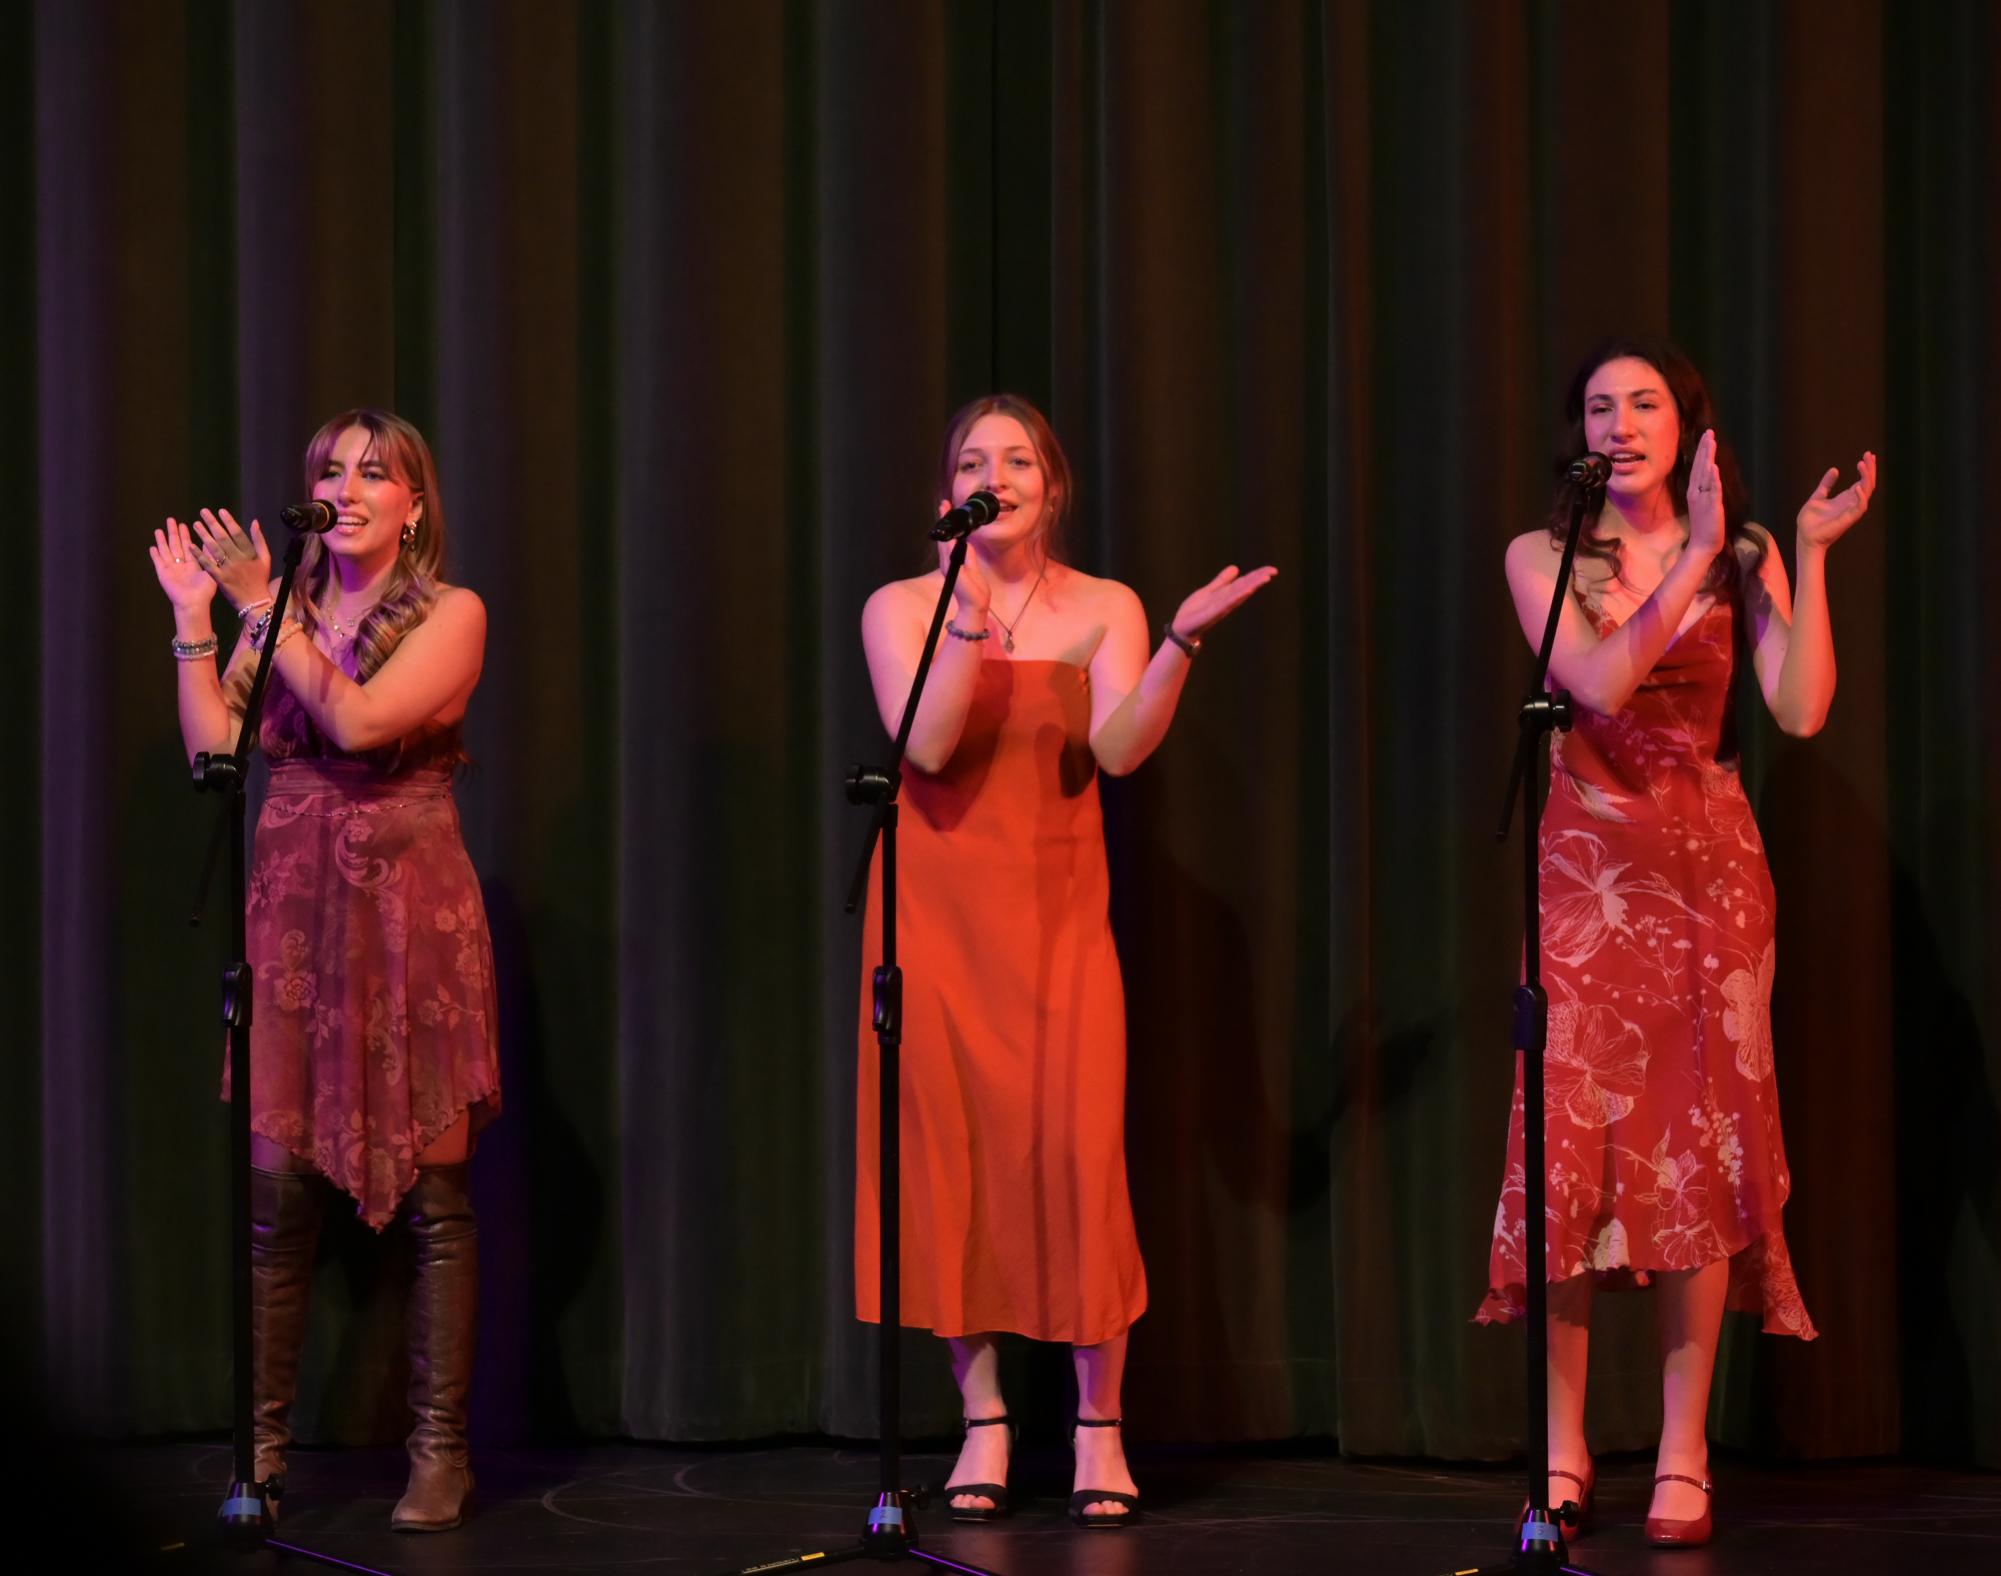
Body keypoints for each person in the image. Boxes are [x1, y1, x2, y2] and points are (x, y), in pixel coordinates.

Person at [1478, 339, 1876, 1547]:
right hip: (1589, 875)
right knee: (1572, 1157)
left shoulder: (1745, 553)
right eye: (1599, 406)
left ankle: (1684, 1451)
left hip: (1710, 876)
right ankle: (1562, 1450)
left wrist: (1800, 556)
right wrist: (1691, 555)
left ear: (1689, 423)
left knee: (1696, 1155)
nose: (1619, 422)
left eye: (1644, 402)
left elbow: (1799, 707)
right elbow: (1600, 681)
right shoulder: (1543, 559)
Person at [855, 393, 1276, 1528]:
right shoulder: (903, 606)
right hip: (935, 914)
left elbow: (1122, 750)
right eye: (976, 460)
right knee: (953, 1159)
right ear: (948, 494)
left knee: (1076, 1155)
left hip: (1055, 917)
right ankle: (983, 1417)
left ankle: (1099, 1423)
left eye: (1022, 458)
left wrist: (1177, 642)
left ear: (1053, 483)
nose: (1002, 474)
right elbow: (931, 745)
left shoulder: (1107, 604)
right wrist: (966, 628)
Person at [149, 409, 499, 1533]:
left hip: (410, 911)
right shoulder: (280, 614)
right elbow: (214, 749)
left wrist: (262, 606)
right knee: (275, 1197)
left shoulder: (451, 614)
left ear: (413, 502)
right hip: (296, 915)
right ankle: (259, 1448)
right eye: (328, 471)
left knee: (436, 1202)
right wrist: (195, 621)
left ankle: (440, 1452)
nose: (346, 488)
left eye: (374, 473)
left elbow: (354, 723)